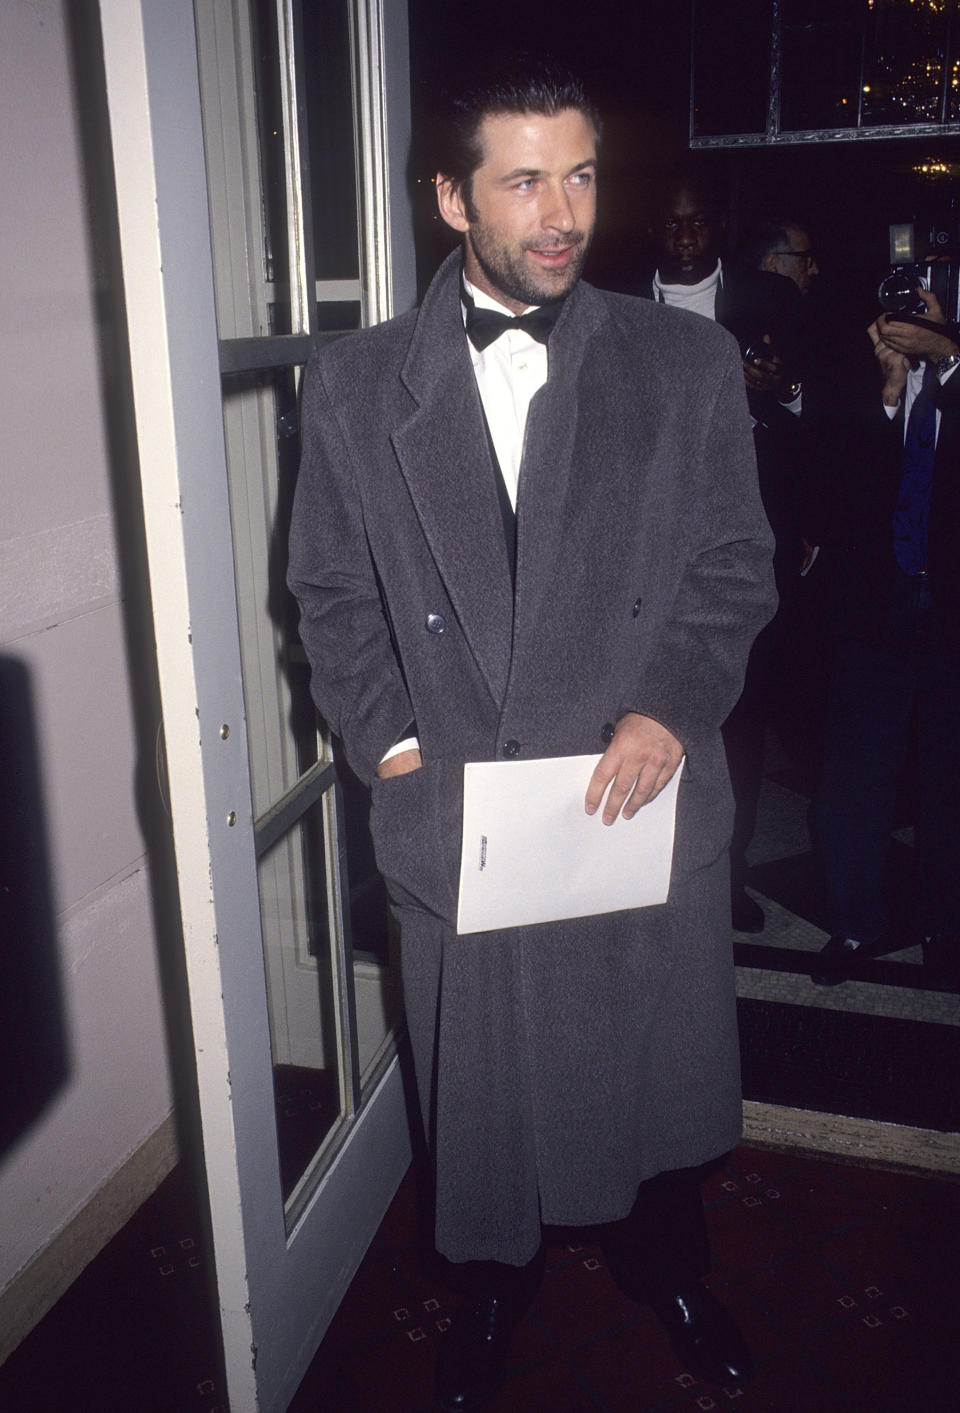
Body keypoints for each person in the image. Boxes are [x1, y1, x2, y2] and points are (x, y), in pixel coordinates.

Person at [288, 56, 775, 1410]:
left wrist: (671, 702)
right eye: (523, 180)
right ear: (452, 198)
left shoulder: (685, 360)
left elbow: (736, 563)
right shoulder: (355, 383)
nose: (562, 213)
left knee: (652, 1068)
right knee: (488, 1094)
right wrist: (392, 747)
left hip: (636, 791)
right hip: (467, 803)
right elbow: (327, 591)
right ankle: (493, 1285)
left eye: (581, 175)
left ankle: (668, 1267)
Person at [647, 179, 807, 935]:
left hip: (736, 549)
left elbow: (824, 414)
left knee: (737, 722)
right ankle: (649, 877)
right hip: (640, 557)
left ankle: (729, 874)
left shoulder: (769, 303)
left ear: (718, 226)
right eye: (673, 223)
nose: (684, 236)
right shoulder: (608, 305)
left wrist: (785, 390)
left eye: (698, 221)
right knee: (643, 712)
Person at [813, 284, 960, 988]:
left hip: (951, 598)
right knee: (854, 771)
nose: (914, 311)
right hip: (879, 595)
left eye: (932, 298)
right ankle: (853, 921)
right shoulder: (864, 369)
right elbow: (837, 488)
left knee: (949, 774)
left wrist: (952, 360)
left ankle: (946, 924)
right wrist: (890, 392)